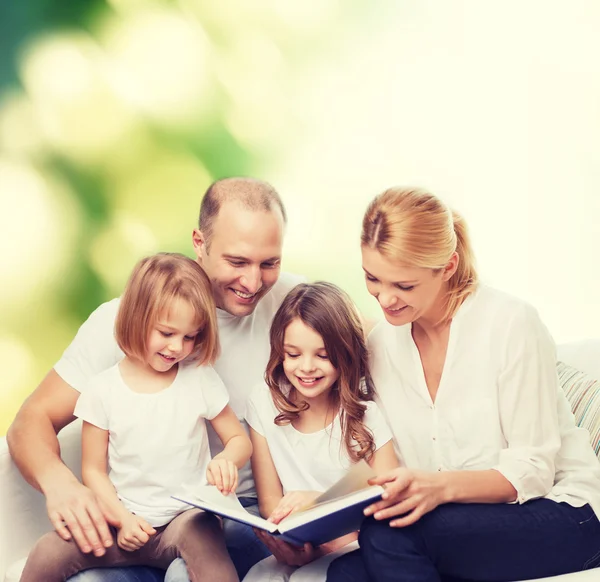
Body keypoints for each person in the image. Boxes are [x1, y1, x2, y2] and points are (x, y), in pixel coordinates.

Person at [7, 177, 304, 581]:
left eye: (269, 263)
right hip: (130, 514)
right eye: (237, 262)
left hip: (233, 510)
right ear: (200, 243)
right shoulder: (124, 321)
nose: (253, 283)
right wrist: (63, 485)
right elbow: (31, 420)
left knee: (189, 566)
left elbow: (362, 345)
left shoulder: (295, 307)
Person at [327, 187, 600, 582]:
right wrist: (318, 518)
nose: (385, 299)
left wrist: (437, 488)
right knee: (346, 574)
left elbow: (533, 471)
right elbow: (384, 458)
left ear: (448, 265)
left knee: (387, 538)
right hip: (465, 522)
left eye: (404, 285)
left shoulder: (511, 324)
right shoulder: (382, 345)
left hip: (565, 513)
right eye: (373, 278)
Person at [21, 253, 250, 582]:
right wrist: (122, 519)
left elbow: (238, 440)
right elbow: (94, 472)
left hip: (186, 520)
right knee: (48, 553)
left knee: (206, 543)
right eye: (167, 333)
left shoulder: (199, 377)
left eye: (189, 337)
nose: (177, 348)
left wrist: (228, 459)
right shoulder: (103, 390)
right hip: (124, 522)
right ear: (137, 318)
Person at [243, 282, 399, 582]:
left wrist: (317, 506)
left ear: (345, 353)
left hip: (354, 548)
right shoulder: (263, 401)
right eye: (293, 354)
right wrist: (291, 538)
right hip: (295, 544)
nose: (306, 368)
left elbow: (387, 504)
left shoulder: (368, 417)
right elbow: (270, 501)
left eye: (323, 355)